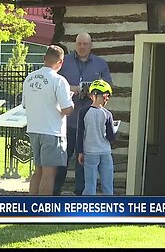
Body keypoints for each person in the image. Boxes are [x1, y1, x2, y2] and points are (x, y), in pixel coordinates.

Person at [54, 32, 113, 196]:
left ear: (90, 45)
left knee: (84, 161)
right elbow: (55, 82)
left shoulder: (100, 64)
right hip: (68, 121)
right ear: (75, 44)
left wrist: (91, 92)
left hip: (90, 125)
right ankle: (54, 192)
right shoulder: (64, 63)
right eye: (79, 43)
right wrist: (73, 89)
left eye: (85, 44)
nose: (82, 47)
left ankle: (80, 194)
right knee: (62, 159)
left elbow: (108, 87)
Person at [22, 45, 74, 195]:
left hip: (33, 128)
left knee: (37, 171)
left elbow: (25, 105)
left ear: (44, 58)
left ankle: (32, 207)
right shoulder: (59, 80)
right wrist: (72, 103)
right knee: (49, 173)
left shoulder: (29, 78)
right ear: (61, 62)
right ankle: (43, 210)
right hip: (52, 131)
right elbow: (66, 110)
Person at [77, 80, 116, 195]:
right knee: (107, 184)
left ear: (91, 95)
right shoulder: (107, 114)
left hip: (90, 152)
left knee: (90, 184)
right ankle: (108, 208)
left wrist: (80, 152)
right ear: (105, 96)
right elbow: (111, 137)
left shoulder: (83, 112)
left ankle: (88, 209)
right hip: (105, 151)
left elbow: (80, 133)